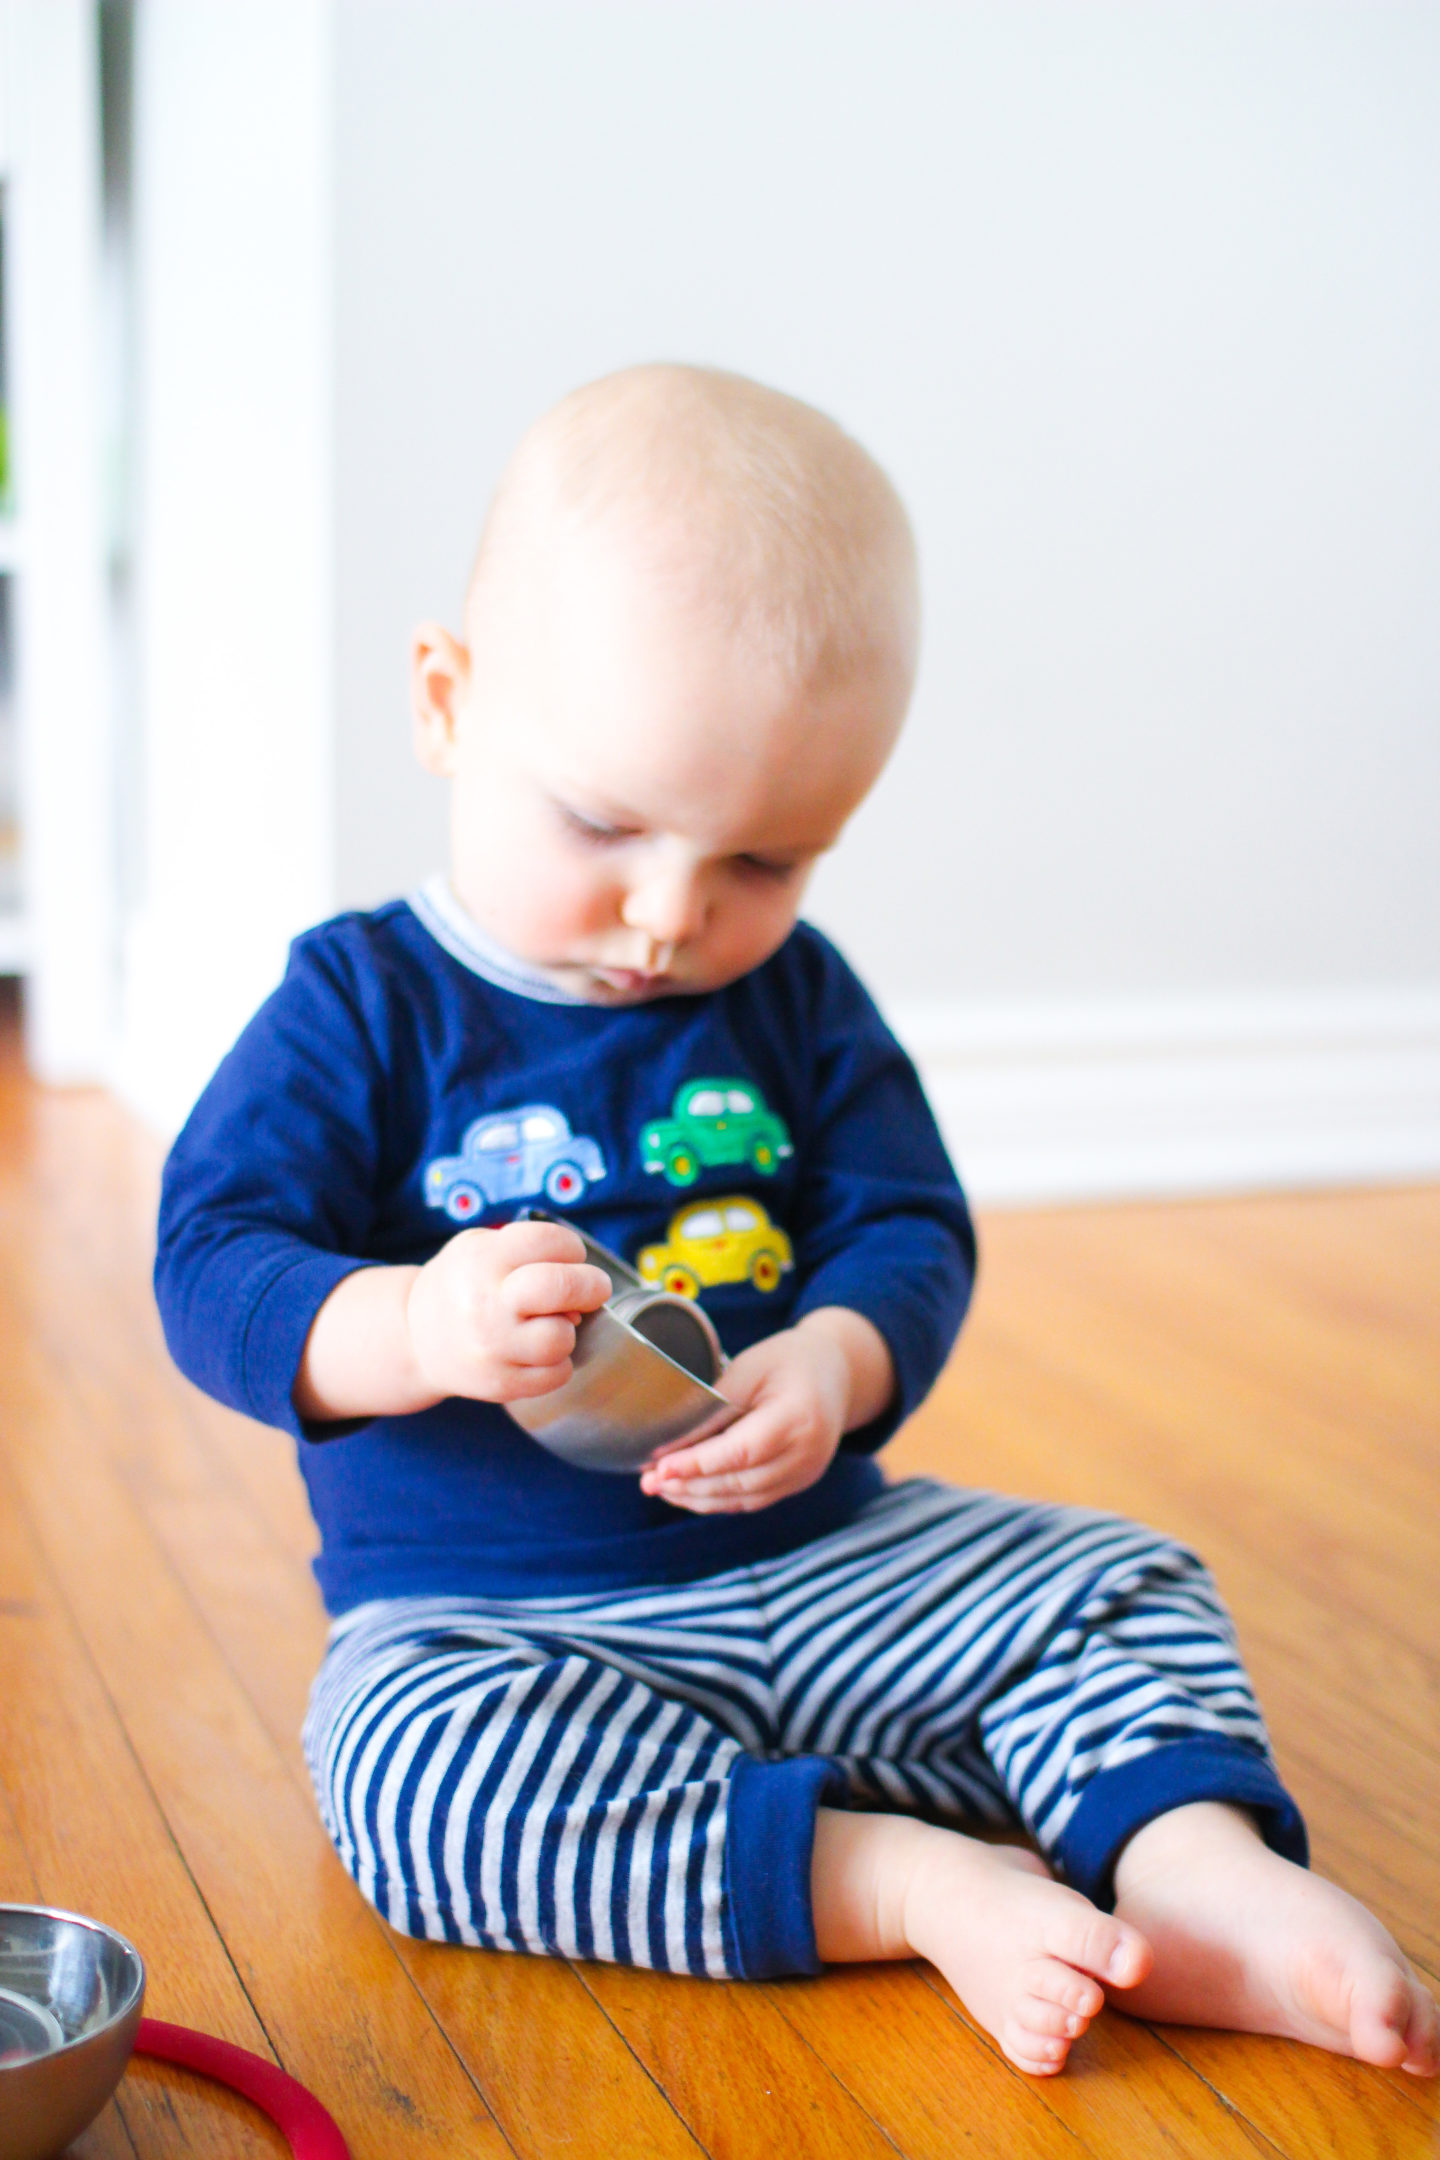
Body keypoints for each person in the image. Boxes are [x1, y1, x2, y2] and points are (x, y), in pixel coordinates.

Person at [155, 364, 1438, 2080]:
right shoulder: (362, 1006)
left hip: (833, 1559)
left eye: (767, 860)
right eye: (606, 821)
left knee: (1115, 1581)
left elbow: (908, 1224)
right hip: (502, 1625)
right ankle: (893, 1876)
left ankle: (1189, 1879)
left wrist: (835, 1363)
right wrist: (410, 1329)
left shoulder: (798, 1002)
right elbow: (210, 1260)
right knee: (407, 1781)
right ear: (446, 705)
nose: (674, 914)